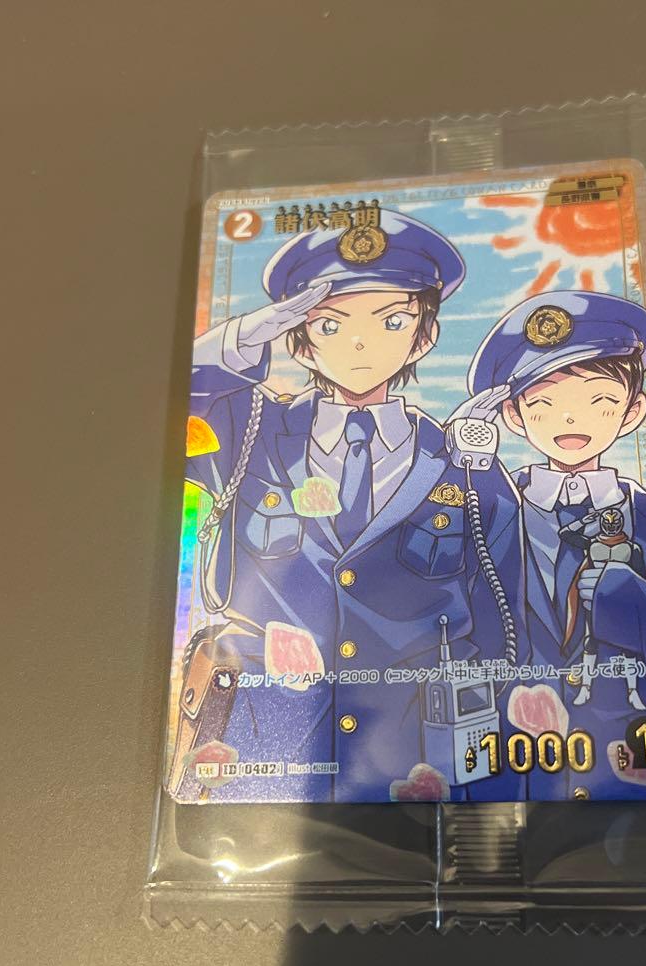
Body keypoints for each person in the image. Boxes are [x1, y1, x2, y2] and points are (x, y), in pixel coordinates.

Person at [181, 210, 526, 803]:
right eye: (330, 324)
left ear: (424, 336)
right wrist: (243, 338)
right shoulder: (250, 428)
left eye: (392, 321)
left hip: (414, 747)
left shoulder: (461, 462)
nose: (360, 344)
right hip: (262, 744)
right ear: (298, 338)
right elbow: (168, 402)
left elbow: (502, 619)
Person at [466, 290, 646, 800]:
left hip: (631, 753)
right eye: (544, 405)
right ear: (514, 416)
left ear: (632, 412)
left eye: (600, 403)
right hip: (508, 756)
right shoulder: (484, 515)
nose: (571, 422)